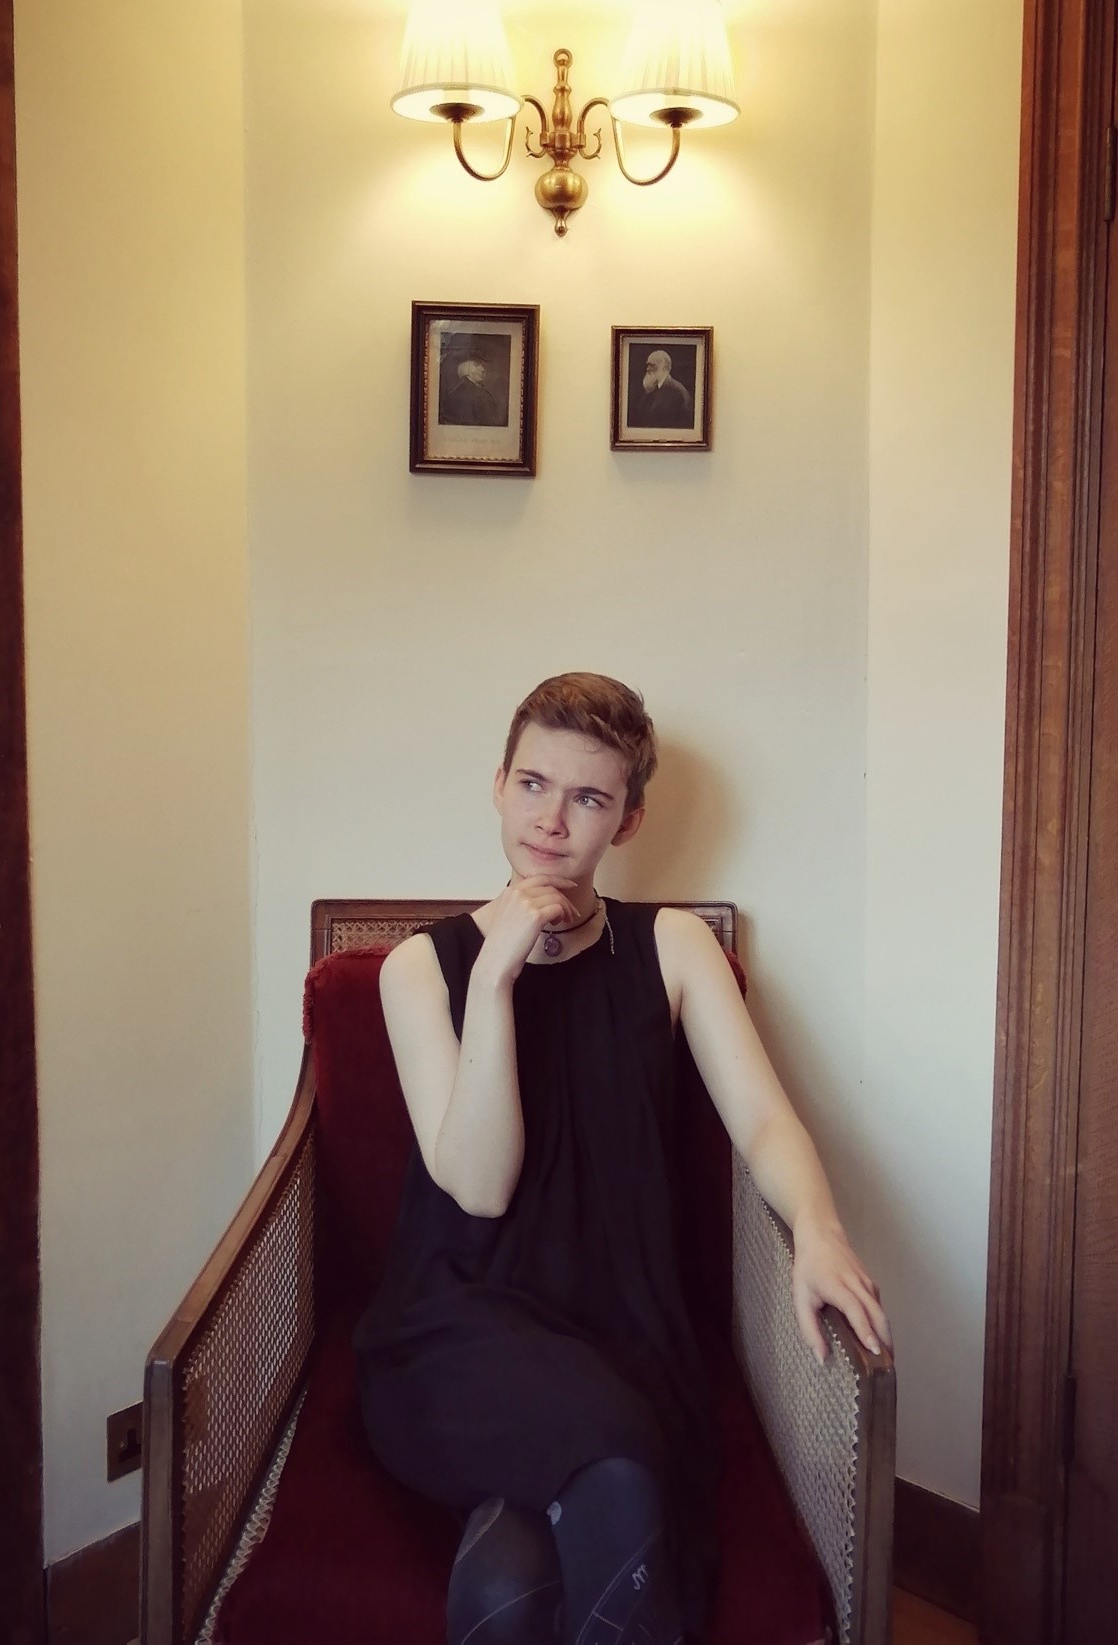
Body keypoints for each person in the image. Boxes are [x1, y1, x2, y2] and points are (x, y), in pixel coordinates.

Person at [354, 673, 889, 1645]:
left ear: (627, 822)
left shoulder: (672, 946)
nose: (550, 821)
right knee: (620, 1469)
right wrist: (497, 981)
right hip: (458, 1327)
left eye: (587, 797)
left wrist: (815, 1229)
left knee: (503, 1591)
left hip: (620, 1327)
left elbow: (764, 1120)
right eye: (531, 784)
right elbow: (478, 1183)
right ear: (497, 785)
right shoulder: (419, 969)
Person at [441, 350, 507, 427]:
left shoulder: (481, 390)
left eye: (482, 365)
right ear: (466, 368)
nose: (483, 369)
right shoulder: (461, 394)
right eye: (476, 365)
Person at [632, 348, 693, 429]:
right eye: (648, 365)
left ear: (663, 368)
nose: (648, 369)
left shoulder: (675, 390)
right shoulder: (657, 388)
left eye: (652, 365)